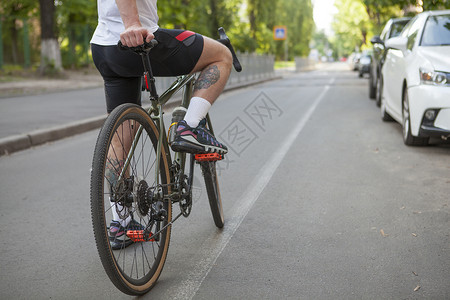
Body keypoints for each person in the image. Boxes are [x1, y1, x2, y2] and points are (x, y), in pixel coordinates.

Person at [90, 0, 231, 248]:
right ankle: (189, 127)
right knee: (221, 56)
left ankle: (121, 223)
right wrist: (132, 23)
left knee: (121, 136)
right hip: (139, 38)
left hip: (104, 47)